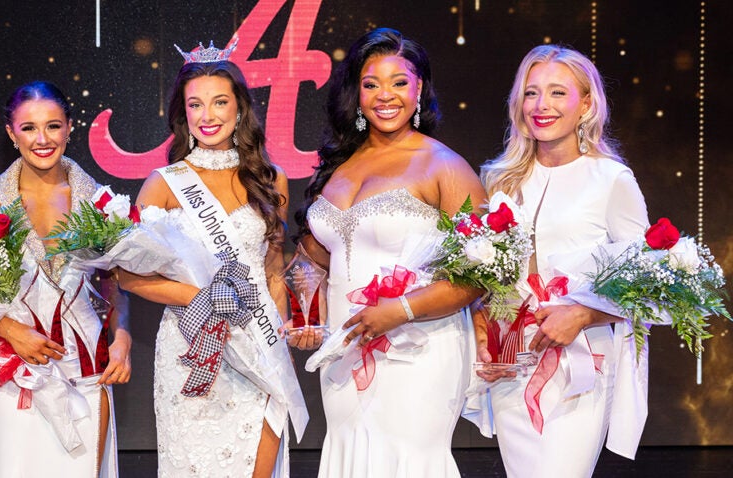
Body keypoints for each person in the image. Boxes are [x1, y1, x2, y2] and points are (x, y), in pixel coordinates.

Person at [292, 28, 486, 477]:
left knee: (407, 460)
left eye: (400, 82)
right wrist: (305, 313)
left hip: (418, 349)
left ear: (420, 89)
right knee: (351, 454)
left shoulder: (443, 165)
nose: (386, 95)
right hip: (345, 348)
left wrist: (399, 309)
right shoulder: (338, 166)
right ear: (355, 93)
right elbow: (314, 260)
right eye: (371, 83)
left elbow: (479, 274)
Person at [117, 43, 308, 478]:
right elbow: (128, 276)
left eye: (220, 102)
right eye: (195, 104)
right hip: (192, 346)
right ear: (182, 114)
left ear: (240, 109)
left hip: (257, 339)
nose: (208, 115)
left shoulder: (269, 177)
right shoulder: (165, 183)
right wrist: (205, 297)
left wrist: (280, 333)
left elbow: (273, 269)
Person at [473, 45, 649, 477]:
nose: (541, 106)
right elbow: (481, 278)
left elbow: (648, 285)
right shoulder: (498, 179)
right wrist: (481, 328)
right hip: (513, 360)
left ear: (586, 104)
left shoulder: (611, 179)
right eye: (531, 93)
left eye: (557, 93)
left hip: (581, 362)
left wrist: (584, 313)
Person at [0, 80, 131, 478]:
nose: (42, 138)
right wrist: (11, 330)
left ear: (69, 127)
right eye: (29, 127)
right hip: (17, 372)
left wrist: (122, 338)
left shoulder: (102, 203)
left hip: (88, 369)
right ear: (11, 134)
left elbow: (113, 284)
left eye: (53, 125)